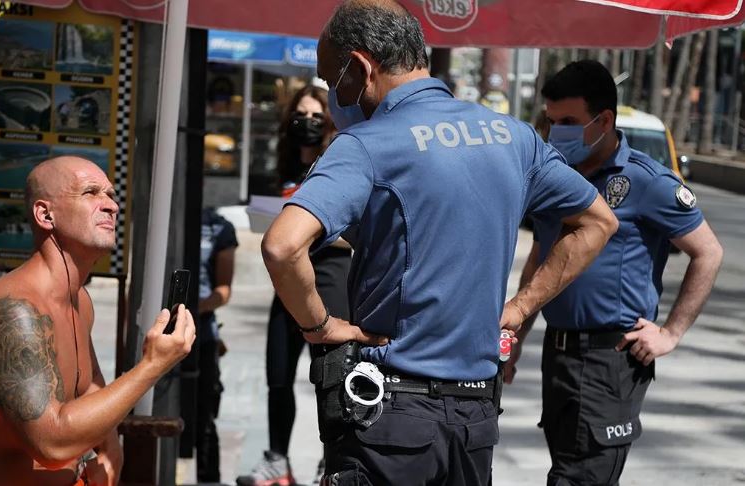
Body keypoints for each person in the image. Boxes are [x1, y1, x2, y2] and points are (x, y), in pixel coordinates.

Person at [260, 1, 619, 485]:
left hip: (388, 420)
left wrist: (320, 326)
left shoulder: (367, 144)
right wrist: (518, 308)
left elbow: (282, 246)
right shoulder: (513, 137)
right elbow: (598, 222)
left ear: (362, 66)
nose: (331, 95)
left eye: (331, 80)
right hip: (475, 420)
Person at [504, 60, 724, 486]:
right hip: (559, 352)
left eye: (568, 121)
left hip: (610, 358)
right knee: (570, 468)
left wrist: (670, 333)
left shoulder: (647, 182)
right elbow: (540, 260)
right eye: (550, 121)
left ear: (604, 120)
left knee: (580, 477)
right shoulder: (556, 177)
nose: (555, 133)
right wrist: (518, 335)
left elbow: (708, 253)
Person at [0, 156, 196, 486]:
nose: (111, 206)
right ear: (46, 215)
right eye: (91, 193)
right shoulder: (16, 311)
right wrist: (152, 365)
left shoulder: (80, 301)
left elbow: (88, 385)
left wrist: (111, 447)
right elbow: (52, 442)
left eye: (111, 194)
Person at [237, 85, 350, 486]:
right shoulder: (283, 170)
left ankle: (330, 461)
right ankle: (277, 460)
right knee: (278, 374)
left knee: (330, 373)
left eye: (316, 116)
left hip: (330, 280)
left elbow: (355, 236)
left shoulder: (339, 167)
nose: (308, 123)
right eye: (300, 116)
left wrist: (304, 232)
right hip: (285, 282)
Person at [197, 205, 238, 483]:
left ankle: (207, 477)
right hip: (160, 328)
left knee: (204, 415)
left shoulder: (219, 227)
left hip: (203, 333)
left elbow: (224, 289)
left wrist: (196, 307)